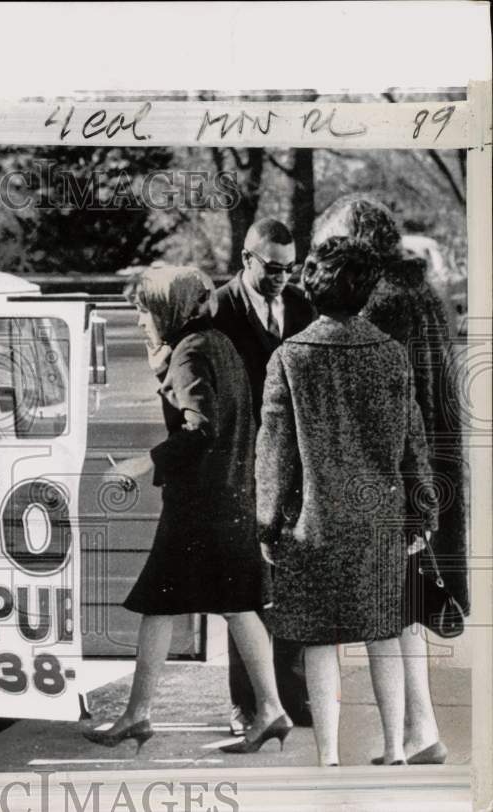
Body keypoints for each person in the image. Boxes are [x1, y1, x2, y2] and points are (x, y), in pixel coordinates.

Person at [84, 265, 291, 755]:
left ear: (166, 309)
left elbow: (202, 428)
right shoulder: (217, 343)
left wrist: (141, 462)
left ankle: (139, 715)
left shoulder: (190, 353)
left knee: (166, 603)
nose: (138, 320)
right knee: (230, 605)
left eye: (143, 310)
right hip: (229, 498)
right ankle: (270, 710)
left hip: (200, 506)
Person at [257, 237, 438, 767]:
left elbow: (274, 452)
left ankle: (330, 757)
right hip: (381, 521)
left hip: (312, 524)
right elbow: (413, 441)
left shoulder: (290, 358)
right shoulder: (390, 354)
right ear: (366, 289)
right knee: (384, 632)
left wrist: (267, 523)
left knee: (320, 642)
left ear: (311, 285)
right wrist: (422, 511)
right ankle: (391, 749)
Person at [312, 195, 468, 765]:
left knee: (393, 607)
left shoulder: (381, 304)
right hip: (425, 468)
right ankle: (420, 731)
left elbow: (378, 403)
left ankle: (414, 736)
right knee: (404, 604)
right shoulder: (419, 293)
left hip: (396, 473)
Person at [213, 218, 316, 734]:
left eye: (289, 268)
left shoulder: (301, 308)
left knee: (292, 580)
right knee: (244, 586)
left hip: (293, 463)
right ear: (246, 259)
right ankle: (246, 702)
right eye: (272, 268)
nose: (281, 277)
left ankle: (292, 696)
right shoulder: (219, 309)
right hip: (237, 464)